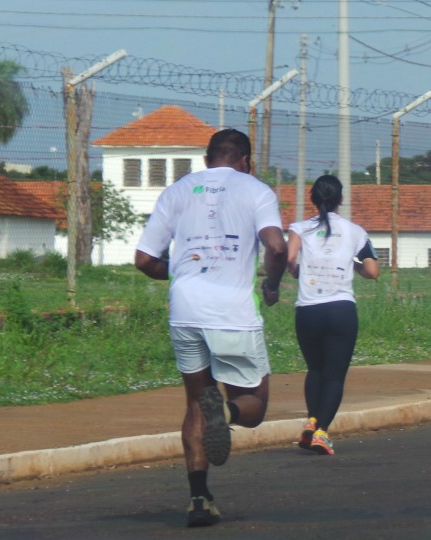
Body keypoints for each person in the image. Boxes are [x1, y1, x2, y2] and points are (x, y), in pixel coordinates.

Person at [134, 129, 287, 527]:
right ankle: (226, 410)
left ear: (206, 160)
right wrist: (271, 285)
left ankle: (199, 499)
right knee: (253, 405)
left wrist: (183, 272)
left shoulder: (176, 191)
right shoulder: (256, 190)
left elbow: (144, 260)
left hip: (184, 309)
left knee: (194, 403)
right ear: (245, 161)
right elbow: (276, 246)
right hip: (232, 311)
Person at [287, 175, 379, 455]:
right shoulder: (355, 231)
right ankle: (321, 432)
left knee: (315, 368)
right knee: (335, 375)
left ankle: (312, 419)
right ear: (341, 200)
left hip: (308, 310)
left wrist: (298, 273)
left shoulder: (299, 228)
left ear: (312, 197)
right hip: (341, 310)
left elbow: (289, 259)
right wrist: (353, 266)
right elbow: (372, 271)